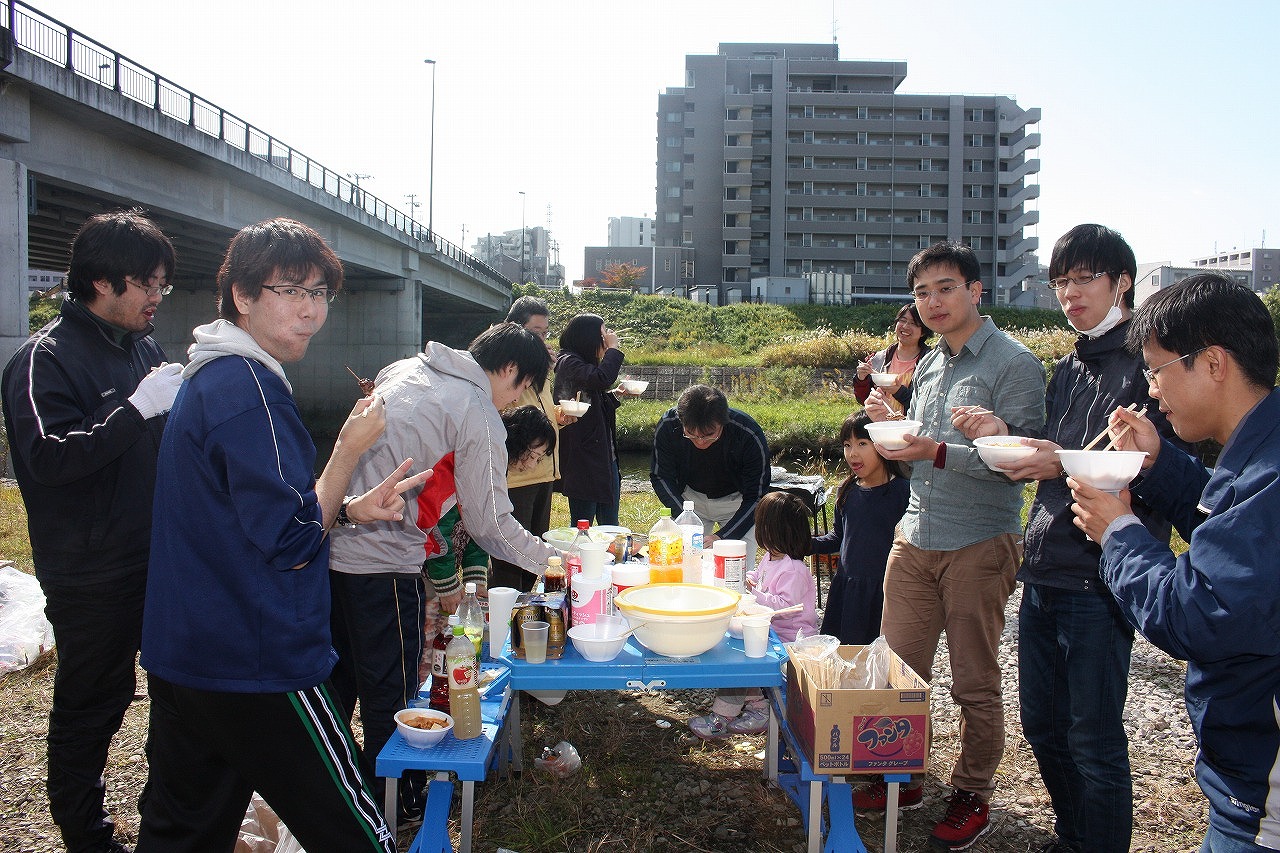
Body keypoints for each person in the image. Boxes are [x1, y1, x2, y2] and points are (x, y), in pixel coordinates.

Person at [137, 218, 428, 852]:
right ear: (242, 296)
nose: (311, 312)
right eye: (290, 291)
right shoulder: (252, 389)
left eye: (321, 293)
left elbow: (244, 519)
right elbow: (294, 541)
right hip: (258, 659)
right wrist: (348, 450)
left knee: (181, 834)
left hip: (187, 654)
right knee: (358, 833)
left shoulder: (207, 377)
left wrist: (346, 510)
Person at [961, 224, 1179, 853]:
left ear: (1123, 281)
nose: (1069, 293)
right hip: (1046, 562)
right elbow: (1056, 453)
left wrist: (1058, 460)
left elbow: (1151, 467)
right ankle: (1073, 834)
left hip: (1103, 571)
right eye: (1060, 282)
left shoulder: (1150, 368)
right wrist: (1004, 434)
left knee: (1095, 738)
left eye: (1084, 278)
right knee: (1041, 724)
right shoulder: (1068, 367)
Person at [1069, 273, 1280, 853]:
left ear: (1213, 364)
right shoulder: (1263, 451)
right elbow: (1231, 526)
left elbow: (1200, 610)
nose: (1153, 390)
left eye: (1158, 371)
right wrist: (1158, 463)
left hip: (1262, 806)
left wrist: (1118, 533)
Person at [327, 323, 563, 815]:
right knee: (389, 689)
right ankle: (396, 799)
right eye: (521, 390)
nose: (515, 403)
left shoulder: (407, 368)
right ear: (511, 370)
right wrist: (555, 559)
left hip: (334, 537)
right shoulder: (476, 410)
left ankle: (329, 784)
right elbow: (490, 523)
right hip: (383, 560)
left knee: (340, 677)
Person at [1, 209, 181, 853]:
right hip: (91, 570)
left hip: (159, 556)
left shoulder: (145, 349)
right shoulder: (41, 360)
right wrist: (133, 411)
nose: (158, 297)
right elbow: (49, 460)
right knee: (93, 704)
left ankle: (166, 819)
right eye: (148, 284)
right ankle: (87, 834)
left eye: (162, 282)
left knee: (177, 691)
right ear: (102, 283)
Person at [862, 241, 1046, 850]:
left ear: (975, 291)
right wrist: (893, 421)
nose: (933, 302)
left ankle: (972, 793)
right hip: (916, 533)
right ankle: (904, 771)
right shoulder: (933, 362)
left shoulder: (1013, 363)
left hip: (980, 539)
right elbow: (925, 447)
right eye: (921, 292)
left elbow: (1019, 461)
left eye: (945, 288)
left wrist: (933, 450)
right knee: (899, 669)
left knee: (973, 679)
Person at [688, 491, 817, 739]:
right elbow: (758, 577)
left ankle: (723, 717)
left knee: (740, 663)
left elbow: (784, 608)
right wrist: (747, 579)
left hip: (789, 641)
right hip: (766, 631)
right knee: (734, 649)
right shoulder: (771, 556)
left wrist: (754, 594)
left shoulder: (794, 569)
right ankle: (757, 706)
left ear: (777, 531)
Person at [491, 296, 571, 591]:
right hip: (516, 475)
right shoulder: (505, 368)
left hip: (543, 470)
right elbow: (506, 415)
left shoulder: (539, 369)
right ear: (515, 329)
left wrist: (558, 418)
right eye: (536, 332)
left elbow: (538, 408)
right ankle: (503, 609)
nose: (542, 339)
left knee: (536, 548)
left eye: (546, 333)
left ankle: (523, 607)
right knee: (511, 554)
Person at [810, 412, 910, 645]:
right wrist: (802, 544)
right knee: (841, 656)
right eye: (847, 445)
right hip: (847, 590)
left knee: (878, 660)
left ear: (883, 445)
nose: (852, 453)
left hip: (885, 592)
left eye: (862, 444)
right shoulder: (847, 490)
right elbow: (838, 538)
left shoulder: (904, 492)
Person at [650, 384, 771, 567]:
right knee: (681, 565)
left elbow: (756, 496)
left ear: (724, 421)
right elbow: (661, 476)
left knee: (737, 569)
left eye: (709, 435)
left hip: (736, 503)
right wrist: (685, 515)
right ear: (681, 420)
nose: (700, 442)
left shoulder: (747, 433)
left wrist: (723, 536)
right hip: (689, 500)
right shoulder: (668, 425)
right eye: (691, 434)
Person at [553, 313, 632, 526]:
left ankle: (612, 559)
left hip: (605, 458)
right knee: (583, 526)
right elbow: (601, 379)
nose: (606, 340)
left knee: (610, 526)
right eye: (603, 335)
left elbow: (591, 400)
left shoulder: (582, 364)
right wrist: (614, 349)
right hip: (584, 460)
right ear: (588, 337)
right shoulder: (568, 362)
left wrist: (617, 394)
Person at [853, 302, 932, 415]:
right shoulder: (879, 359)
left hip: (911, 429)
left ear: (923, 331)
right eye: (903, 320)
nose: (905, 326)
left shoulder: (930, 362)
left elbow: (928, 406)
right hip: (881, 426)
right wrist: (861, 379)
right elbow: (863, 400)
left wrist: (899, 391)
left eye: (913, 323)